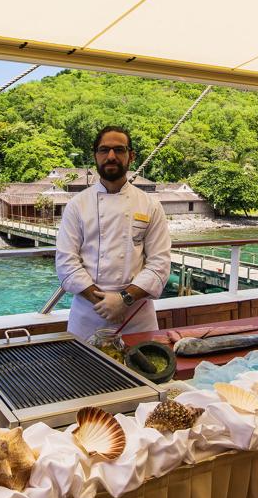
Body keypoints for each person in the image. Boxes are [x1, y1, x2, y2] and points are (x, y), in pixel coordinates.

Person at [55, 126, 171, 341]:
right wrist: (103, 302)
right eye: (104, 150)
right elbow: (66, 263)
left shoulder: (150, 205)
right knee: (85, 373)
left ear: (131, 156)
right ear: (95, 156)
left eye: (119, 150)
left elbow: (160, 264)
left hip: (136, 315)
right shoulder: (77, 205)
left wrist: (124, 299)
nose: (111, 156)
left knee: (139, 372)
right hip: (88, 314)